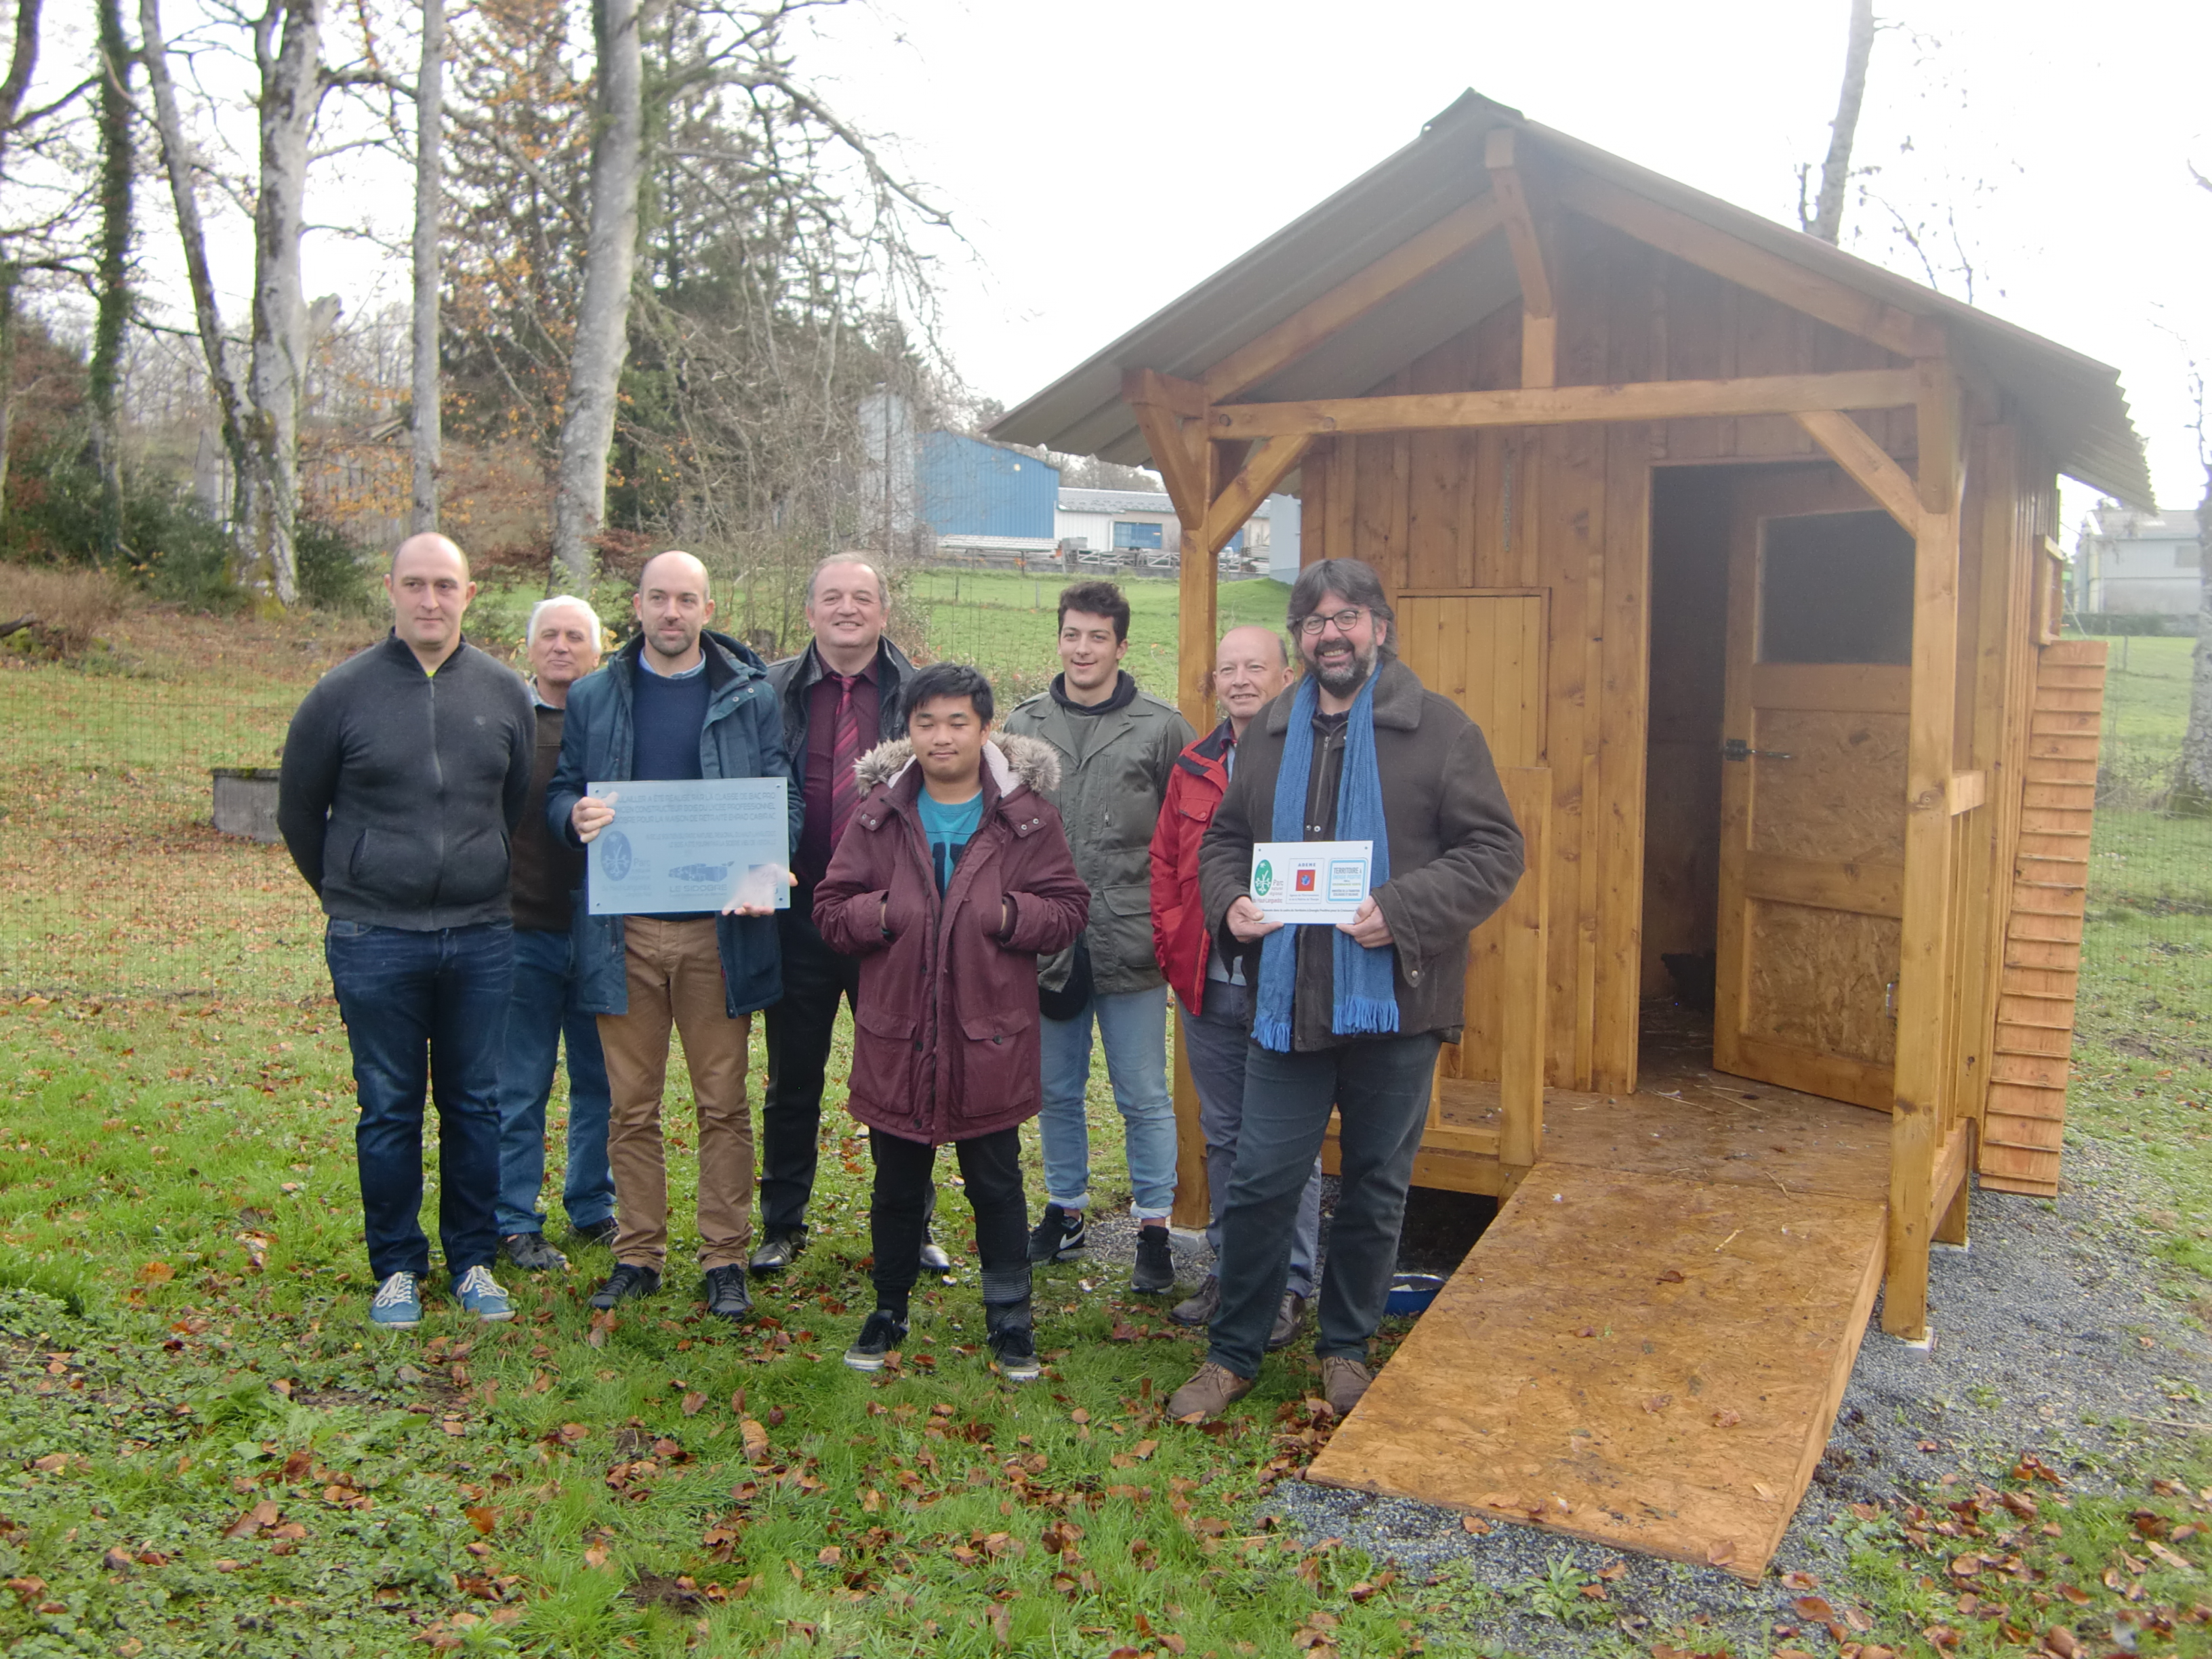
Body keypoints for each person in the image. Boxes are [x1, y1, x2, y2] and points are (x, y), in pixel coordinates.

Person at [1167, 559, 1525, 1422]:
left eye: (1350, 616)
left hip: (1397, 1002)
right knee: (1259, 1180)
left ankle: (1345, 1348)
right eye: (1317, 620)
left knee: (1375, 1184)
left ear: (1380, 628)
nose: (1333, 632)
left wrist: (1401, 910)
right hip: (1288, 1004)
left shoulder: (1440, 732)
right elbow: (1223, 844)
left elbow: (1494, 852)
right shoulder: (1272, 732)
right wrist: (1233, 903)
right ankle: (1234, 1353)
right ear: (1301, 640)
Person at [277, 532, 535, 1330]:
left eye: (445, 586)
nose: (431, 600)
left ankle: (474, 1260)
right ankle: (395, 1265)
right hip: (374, 938)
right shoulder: (340, 694)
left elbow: (515, 803)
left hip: (482, 935)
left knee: (476, 1104)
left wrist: (474, 871)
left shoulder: (503, 692)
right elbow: (297, 811)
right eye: (415, 585)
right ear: (389, 589)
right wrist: (351, 888)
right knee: (389, 1107)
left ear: (469, 593)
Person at [813, 663, 1090, 1381]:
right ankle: (888, 1308)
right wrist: (881, 915)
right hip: (897, 1032)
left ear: (986, 729)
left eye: (958, 722)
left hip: (988, 1034)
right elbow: (830, 908)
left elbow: (1066, 910)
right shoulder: (877, 814)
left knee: (996, 1182)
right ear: (909, 731)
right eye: (927, 722)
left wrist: (1006, 916)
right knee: (896, 1183)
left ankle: (1010, 1318)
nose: (942, 736)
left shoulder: (1026, 818)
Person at [546, 551, 802, 1324]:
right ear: (637, 605)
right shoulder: (594, 695)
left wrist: (767, 866)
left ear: (707, 607)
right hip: (625, 930)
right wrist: (572, 818)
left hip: (719, 935)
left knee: (723, 1104)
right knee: (632, 1107)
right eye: (658, 598)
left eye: (686, 599)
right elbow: (563, 787)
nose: (671, 612)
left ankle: (724, 1256)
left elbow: (780, 795)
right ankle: (638, 1252)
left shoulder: (750, 696)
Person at [1002, 581, 1193, 1292]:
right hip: (1047, 939)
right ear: (1059, 638)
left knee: (1142, 1091)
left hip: (1131, 939)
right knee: (1055, 1088)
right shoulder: (1023, 726)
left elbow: (1187, 832)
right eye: (1072, 634)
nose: (1083, 649)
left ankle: (1153, 1225)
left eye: (1097, 637)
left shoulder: (1160, 728)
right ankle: (1066, 1206)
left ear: (1120, 644)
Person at [754, 554, 940, 1276]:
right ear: (810, 612)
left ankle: (911, 1225)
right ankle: (781, 1222)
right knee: (791, 1077)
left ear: (884, 614)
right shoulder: (769, 690)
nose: (848, 609)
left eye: (863, 598)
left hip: (889, 916)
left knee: (900, 1075)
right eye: (832, 597)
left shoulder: (918, 692)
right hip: (798, 912)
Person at [1149, 624, 1322, 1351]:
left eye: (1256, 667)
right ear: (1214, 681)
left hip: (1285, 983)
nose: (1242, 680)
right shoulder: (1193, 765)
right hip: (1207, 983)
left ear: (1286, 677)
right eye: (1229, 669)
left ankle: (1286, 1284)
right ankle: (1229, 1268)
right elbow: (1164, 865)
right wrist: (1170, 948)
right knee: (1224, 1134)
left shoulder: (1317, 758)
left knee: (1287, 1143)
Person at [493, 595, 617, 1273]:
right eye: (550, 636)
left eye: (576, 636)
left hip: (604, 930)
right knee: (521, 1083)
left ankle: (593, 1206)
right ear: (529, 647)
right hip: (522, 930)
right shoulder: (506, 719)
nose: (562, 646)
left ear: (598, 650)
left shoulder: (615, 720)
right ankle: (513, 1218)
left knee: (601, 1083)